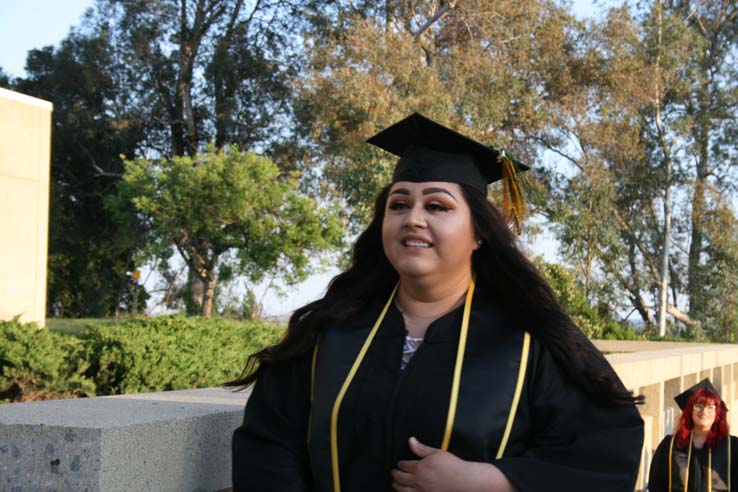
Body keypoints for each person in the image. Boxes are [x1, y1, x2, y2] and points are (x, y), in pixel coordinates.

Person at [229, 113, 644, 492]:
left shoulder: (526, 340)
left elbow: (606, 451)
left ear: (479, 233)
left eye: (437, 206)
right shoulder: (330, 332)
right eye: (399, 204)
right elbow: (267, 445)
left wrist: (489, 480)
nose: (413, 218)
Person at [648, 378, 737, 491]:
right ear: (690, 410)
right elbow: (656, 485)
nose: (704, 411)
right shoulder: (670, 445)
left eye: (711, 407)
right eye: (699, 406)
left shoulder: (732, 447)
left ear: (717, 413)